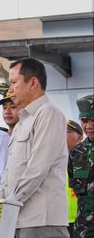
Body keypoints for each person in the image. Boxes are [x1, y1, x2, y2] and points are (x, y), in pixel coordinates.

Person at [0, 58, 69, 238]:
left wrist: (10, 203)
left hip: (42, 221)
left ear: (33, 83)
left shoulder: (49, 113)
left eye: (14, 82)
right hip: (19, 219)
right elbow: (10, 172)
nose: (11, 89)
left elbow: (38, 168)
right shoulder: (23, 120)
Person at [68, 94, 94, 238]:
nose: (89, 126)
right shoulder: (76, 153)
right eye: (84, 121)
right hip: (84, 229)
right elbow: (76, 190)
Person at [66, 120, 83, 238]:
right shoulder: (54, 158)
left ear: (79, 137)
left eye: (67, 131)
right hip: (60, 220)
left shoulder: (87, 158)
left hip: (84, 218)